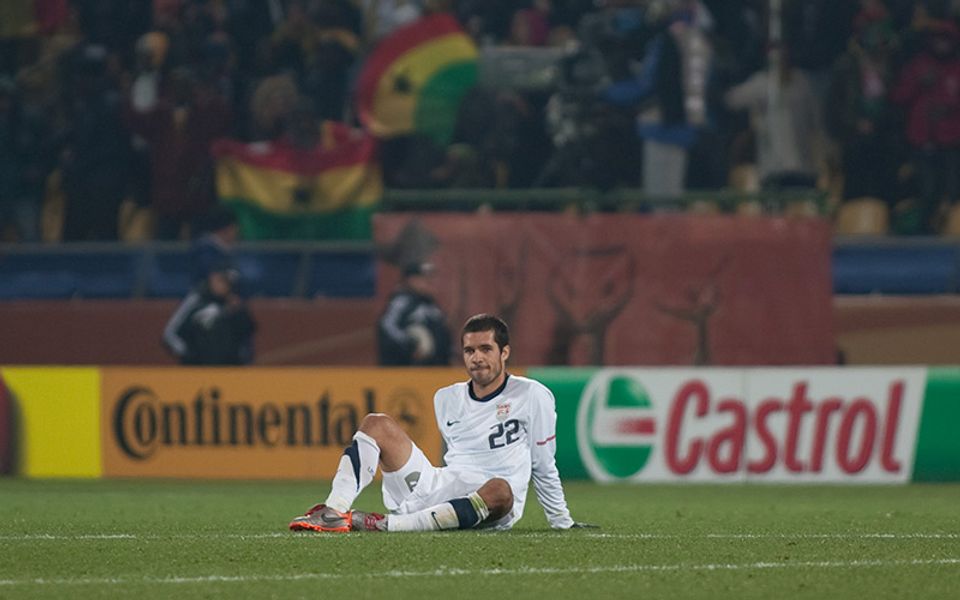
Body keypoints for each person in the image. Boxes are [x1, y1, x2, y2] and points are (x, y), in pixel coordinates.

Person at [290, 314, 595, 532]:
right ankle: (334, 510)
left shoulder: (532, 395)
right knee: (376, 423)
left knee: (501, 489)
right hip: (441, 486)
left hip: (494, 500)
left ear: (505, 352)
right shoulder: (445, 398)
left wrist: (561, 521)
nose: (477, 358)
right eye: (469, 350)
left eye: (486, 349)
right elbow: (455, 459)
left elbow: (543, 464)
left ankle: (387, 524)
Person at [162, 266, 256, 366]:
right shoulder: (196, 299)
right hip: (197, 370)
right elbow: (169, 335)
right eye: (222, 281)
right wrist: (189, 355)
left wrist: (238, 312)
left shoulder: (235, 303)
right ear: (212, 277)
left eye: (229, 283)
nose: (225, 286)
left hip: (229, 371)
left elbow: (247, 334)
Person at [377, 262, 452, 366]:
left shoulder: (431, 304)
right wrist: (409, 345)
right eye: (423, 278)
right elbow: (387, 327)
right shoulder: (400, 302)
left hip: (434, 368)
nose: (428, 282)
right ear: (410, 280)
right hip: (404, 368)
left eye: (429, 278)